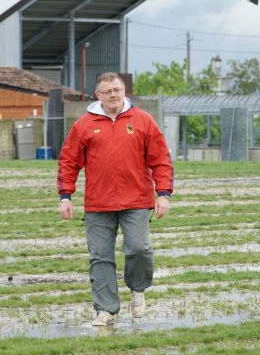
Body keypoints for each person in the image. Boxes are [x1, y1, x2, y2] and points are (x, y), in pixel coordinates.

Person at [57, 72, 174, 326]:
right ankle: (105, 310)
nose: (113, 94)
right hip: (98, 204)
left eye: (117, 89)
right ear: (98, 95)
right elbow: (68, 162)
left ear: (124, 92)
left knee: (139, 248)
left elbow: (161, 159)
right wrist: (65, 196)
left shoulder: (142, 120)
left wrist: (163, 193)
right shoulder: (84, 125)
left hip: (137, 201)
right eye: (107, 90)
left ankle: (138, 289)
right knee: (100, 257)